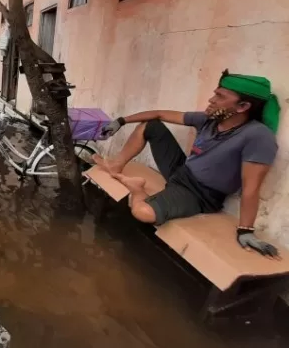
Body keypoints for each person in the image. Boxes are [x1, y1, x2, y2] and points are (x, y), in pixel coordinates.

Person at [94, 70, 280, 258]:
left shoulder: (258, 136)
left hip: (198, 194)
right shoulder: (210, 120)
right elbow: (158, 114)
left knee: (142, 212)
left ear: (242, 106)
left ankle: (137, 189)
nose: (211, 100)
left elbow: (251, 188)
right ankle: (116, 165)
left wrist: (245, 230)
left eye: (220, 96)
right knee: (151, 125)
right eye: (215, 93)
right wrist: (121, 121)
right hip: (182, 171)